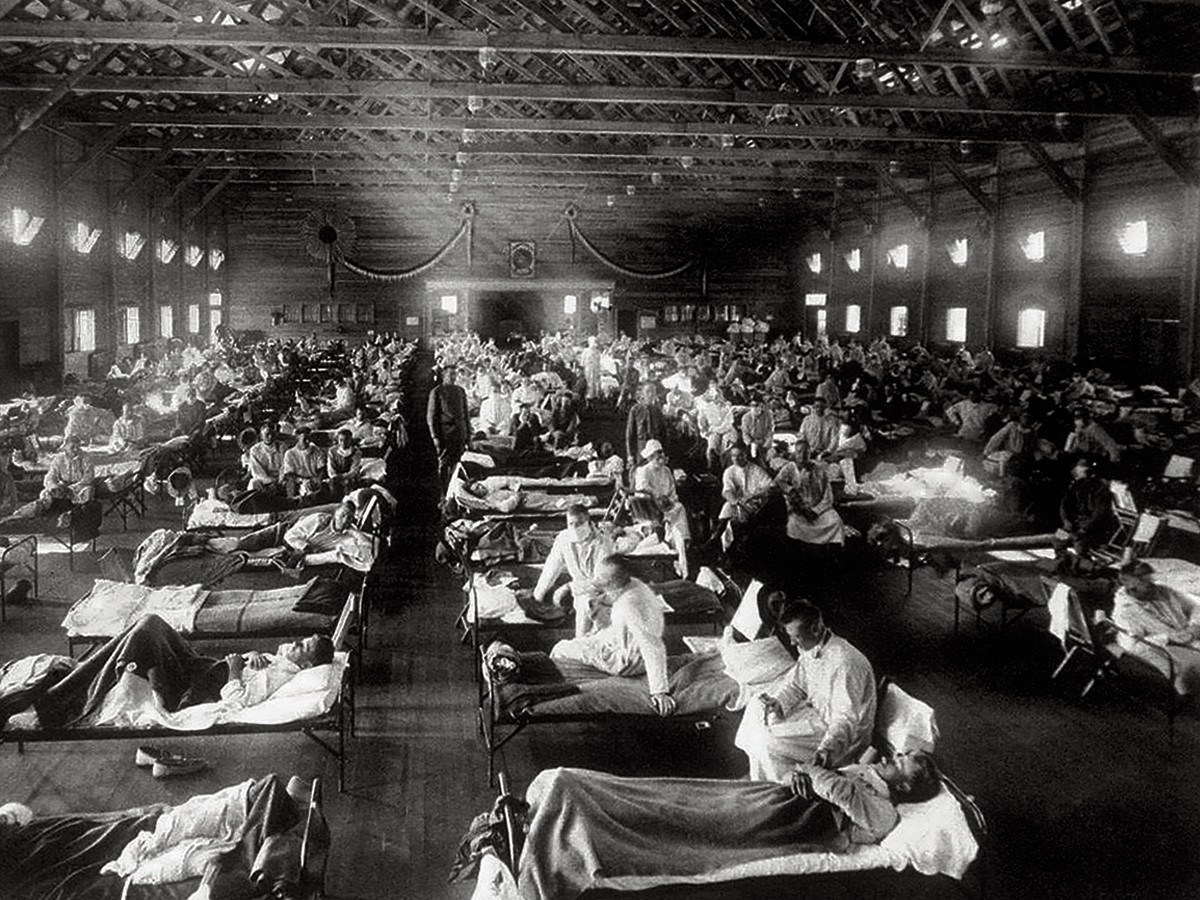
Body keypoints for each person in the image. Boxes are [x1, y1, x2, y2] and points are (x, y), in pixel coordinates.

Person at [500, 752, 940, 898]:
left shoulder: (886, 812)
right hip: (771, 797)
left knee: (680, 823)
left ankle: (573, 823)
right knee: (672, 795)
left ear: (908, 783)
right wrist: (803, 775)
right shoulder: (866, 775)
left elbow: (836, 791)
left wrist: (816, 773)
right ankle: (566, 795)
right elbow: (804, 777)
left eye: (902, 760)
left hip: (783, 824)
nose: (891, 757)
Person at [1, 773, 326, 900]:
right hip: (30, 857)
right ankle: (276, 856)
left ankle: (277, 843)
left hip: (35, 842)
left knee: (147, 831)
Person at [34, 614, 334, 728]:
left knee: (141, 638)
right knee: (150, 623)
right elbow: (265, 660)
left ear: (306, 666)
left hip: (191, 686)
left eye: (302, 646)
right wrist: (252, 654)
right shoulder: (283, 661)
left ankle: (63, 701)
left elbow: (237, 702)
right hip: (199, 667)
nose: (294, 642)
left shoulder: (280, 677)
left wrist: (234, 668)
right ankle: (69, 689)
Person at [735, 599, 876, 782]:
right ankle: (760, 770)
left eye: (796, 637)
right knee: (756, 705)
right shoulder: (811, 648)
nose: (792, 643)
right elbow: (796, 685)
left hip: (840, 740)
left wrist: (826, 750)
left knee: (769, 743)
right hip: (817, 717)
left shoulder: (845, 664)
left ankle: (773, 788)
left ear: (816, 629)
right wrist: (778, 703)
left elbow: (846, 719)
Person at [550, 555, 674, 716]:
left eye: (602, 578)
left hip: (627, 661)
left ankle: (555, 691)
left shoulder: (628, 605)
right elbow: (598, 584)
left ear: (613, 583)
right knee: (584, 639)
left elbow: (652, 646)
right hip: (622, 641)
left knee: (560, 648)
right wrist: (569, 587)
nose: (596, 580)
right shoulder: (634, 584)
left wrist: (659, 691)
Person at [1111, 560, 1200, 695]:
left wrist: (1194, 625)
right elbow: (1131, 647)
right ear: (1131, 587)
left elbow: (1194, 606)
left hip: (1190, 636)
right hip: (1166, 650)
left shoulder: (1162, 590)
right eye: (1146, 582)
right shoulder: (1124, 612)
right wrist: (1168, 638)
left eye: (1151, 579)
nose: (1152, 585)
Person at [215, 498, 376, 572]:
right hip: (282, 533)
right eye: (343, 515)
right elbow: (290, 536)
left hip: (290, 550)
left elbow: (368, 546)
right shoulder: (320, 520)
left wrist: (355, 531)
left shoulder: (347, 534)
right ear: (336, 513)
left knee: (248, 560)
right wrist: (305, 546)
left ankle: (224, 561)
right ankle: (213, 548)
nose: (345, 520)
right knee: (242, 543)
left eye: (349, 517)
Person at [533, 504, 616, 637]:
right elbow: (551, 568)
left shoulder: (603, 543)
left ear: (588, 522)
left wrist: (570, 586)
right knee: (583, 607)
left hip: (604, 593)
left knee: (590, 614)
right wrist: (538, 595)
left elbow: (601, 580)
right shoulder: (564, 539)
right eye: (570, 524)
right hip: (581, 594)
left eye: (579, 524)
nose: (574, 528)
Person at [632, 438, 690, 578]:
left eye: (661, 453)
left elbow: (672, 490)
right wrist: (657, 496)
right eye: (657, 454)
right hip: (650, 506)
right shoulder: (643, 470)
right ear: (650, 457)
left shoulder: (667, 471)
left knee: (679, 507)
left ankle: (677, 542)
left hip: (667, 506)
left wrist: (669, 500)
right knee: (678, 514)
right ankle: (677, 543)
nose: (660, 457)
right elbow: (641, 489)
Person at [1055, 456, 1117, 562]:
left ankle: (1085, 564)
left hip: (1093, 527)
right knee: (1058, 539)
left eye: (1083, 473)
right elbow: (1064, 506)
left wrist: (1085, 528)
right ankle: (1062, 559)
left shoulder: (1100, 489)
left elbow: (1100, 513)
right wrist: (1066, 521)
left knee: (1080, 545)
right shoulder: (1075, 487)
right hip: (1076, 523)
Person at [718, 444, 774, 546]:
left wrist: (754, 496)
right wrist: (736, 502)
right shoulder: (729, 471)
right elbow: (727, 491)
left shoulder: (756, 470)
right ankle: (717, 540)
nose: (736, 458)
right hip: (738, 503)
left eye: (740, 455)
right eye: (734, 456)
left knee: (743, 519)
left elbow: (770, 487)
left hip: (755, 503)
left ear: (745, 455)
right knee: (727, 508)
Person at [427, 366, 471, 486]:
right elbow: (431, 417)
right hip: (445, 434)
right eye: (451, 374)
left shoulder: (460, 391)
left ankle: (452, 490)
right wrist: (435, 437)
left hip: (460, 433)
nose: (453, 377)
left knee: (458, 464)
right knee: (444, 463)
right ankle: (443, 491)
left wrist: (468, 435)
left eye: (454, 375)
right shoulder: (437, 392)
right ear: (444, 376)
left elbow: (466, 414)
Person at [40, 433, 96, 510]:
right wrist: (54, 486)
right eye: (72, 447)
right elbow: (51, 476)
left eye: (77, 447)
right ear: (65, 447)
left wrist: (73, 487)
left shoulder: (86, 458)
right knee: (45, 493)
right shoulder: (58, 459)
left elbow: (88, 477)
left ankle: (77, 510)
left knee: (88, 492)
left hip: (80, 487)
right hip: (63, 487)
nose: (76, 450)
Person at [625, 382, 666, 465]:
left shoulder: (657, 411)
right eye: (648, 392)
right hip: (641, 447)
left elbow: (663, 433)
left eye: (653, 392)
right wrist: (629, 454)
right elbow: (630, 434)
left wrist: (663, 452)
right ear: (642, 394)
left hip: (655, 447)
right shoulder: (635, 410)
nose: (650, 395)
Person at [281, 425, 326, 500]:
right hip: (298, 481)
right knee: (291, 484)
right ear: (297, 438)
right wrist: (303, 481)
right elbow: (289, 474)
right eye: (304, 439)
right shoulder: (290, 453)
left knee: (321, 490)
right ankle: (292, 503)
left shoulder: (316, 451)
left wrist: (316, 479)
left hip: (313, 479)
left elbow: (321, 468)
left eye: (309, 439)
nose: (308, 441)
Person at [246, 422, 285, 494]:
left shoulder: (282, 447)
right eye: (267, 434)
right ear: (261, 436)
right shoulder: (255, 450)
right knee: (253, 483)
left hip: (280, 479)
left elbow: (284, 466)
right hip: (264, 480)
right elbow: (257, 471)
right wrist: (270, 482)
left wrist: (280, 481)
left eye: (272, 434)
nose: (270, 437)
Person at [326, 428, 363, 493]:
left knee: (350, 487)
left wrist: (343, 477)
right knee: (332, 487)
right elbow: (330, 467)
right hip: (336, 477)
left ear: (350, 440)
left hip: (350, 477)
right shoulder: (332, 451)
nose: (343, 443)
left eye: (346, 440)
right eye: (341, 440)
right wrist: (334, 476)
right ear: (338, 440)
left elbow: (354, 470)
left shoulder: (356, 452)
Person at [740, 394, 775, 460]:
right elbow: (745, 433)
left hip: (764, 441)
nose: (755, 408)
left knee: (767, 457)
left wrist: (764, 442)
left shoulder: (768, 416)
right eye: (752, 406)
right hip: (751, 442)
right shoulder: (746, 417)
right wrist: (750, 443)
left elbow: (770, 430)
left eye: (757, 406)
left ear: (762, 407)